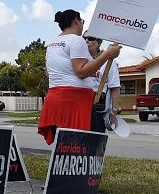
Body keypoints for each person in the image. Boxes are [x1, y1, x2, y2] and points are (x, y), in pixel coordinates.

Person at [38, 9, 121, 145]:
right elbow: (81, 72)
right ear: (76, 20)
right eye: (82, 21)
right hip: (74, 99)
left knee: (63, 145)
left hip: (54, 97)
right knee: (79, 146)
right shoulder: (77, 40)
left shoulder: (52, 43)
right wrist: (107, 55)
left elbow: (48, 73)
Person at [84, 32, 121, 133]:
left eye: (90, 38)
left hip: (98, 110)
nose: (86, 41)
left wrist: (113, 112)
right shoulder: (79, 60)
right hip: (81, 109)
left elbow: (115, 87)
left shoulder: (109, 62)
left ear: (99, 42)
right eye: (84, 38)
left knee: (95, 145)